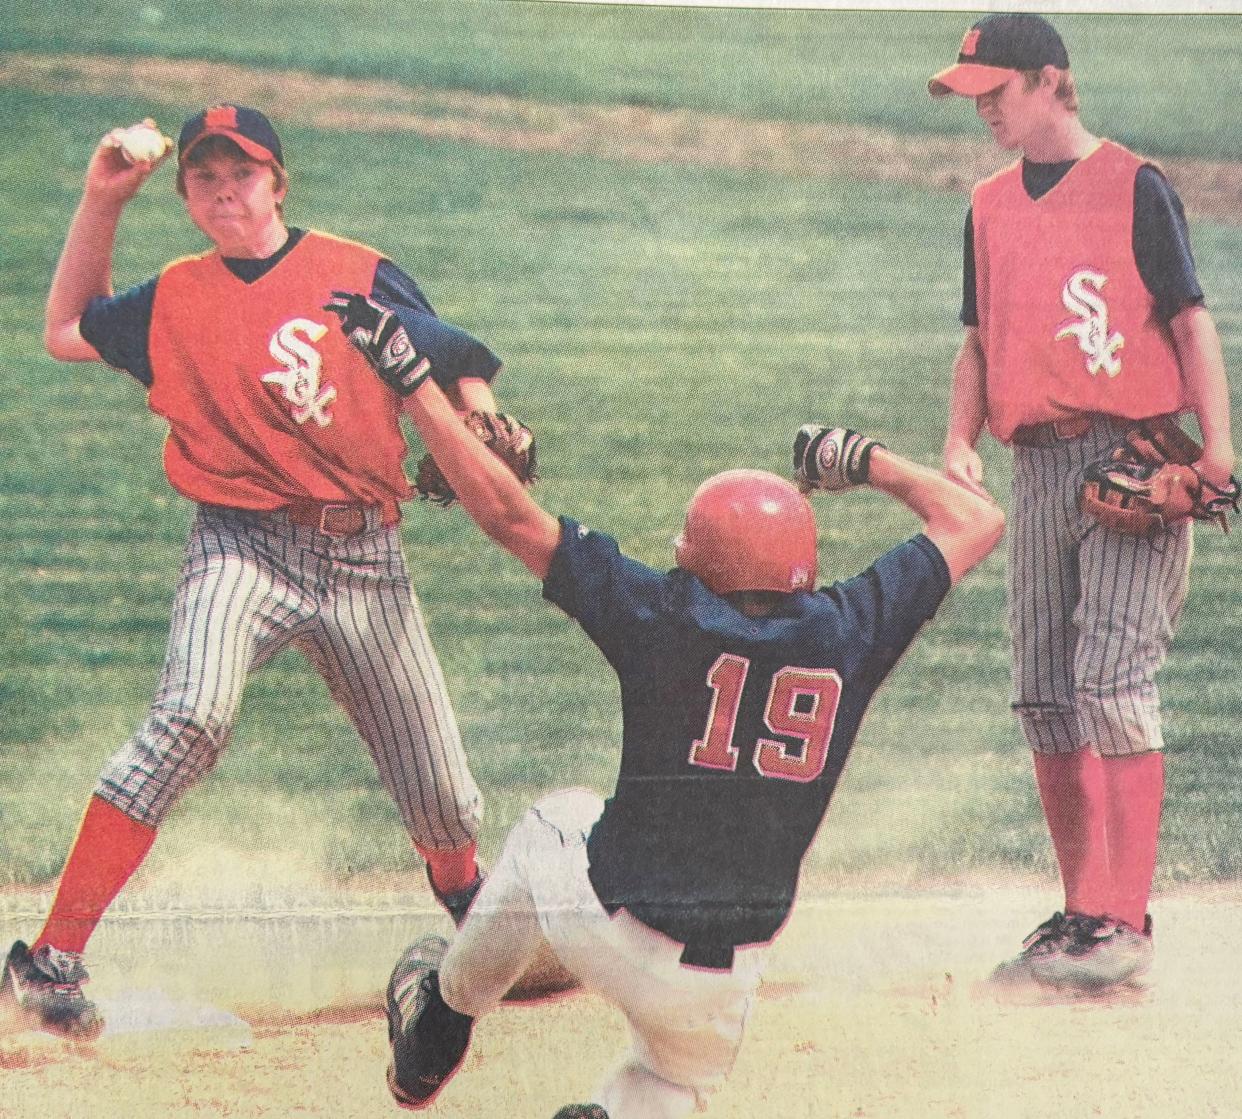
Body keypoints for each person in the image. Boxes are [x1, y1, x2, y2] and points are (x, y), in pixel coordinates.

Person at [322, 300, 1004, 1118]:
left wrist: (414, 385)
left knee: (554, 819)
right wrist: (860, 460)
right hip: (723, 981)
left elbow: (506, 513)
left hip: (605, 923)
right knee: (673, 1079)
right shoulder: (854, 627)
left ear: (699, 558)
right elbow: (978, 516)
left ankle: (440, 1017)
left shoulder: (660, 614)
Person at [0, 105, 502, 1039]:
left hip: (364, 561)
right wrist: (101, 200)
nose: (225, 190)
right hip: (239, 545)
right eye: (205, 177)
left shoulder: (354, 272)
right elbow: (66, 327)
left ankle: (479, 920)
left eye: (244, 173)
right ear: (187, 193)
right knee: (188, 717)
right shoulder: (177, 295)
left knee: (440, 797)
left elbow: (457, 355)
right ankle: (51, 960)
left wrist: (480, 415)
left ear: (279, 182)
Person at [929, 13, 1236, 992]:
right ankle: (1080, 912)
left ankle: (1125, 914)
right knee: (1045, 695)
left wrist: (1220, 451)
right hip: (1035, 467)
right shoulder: (986, 204)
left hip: (1132, 456)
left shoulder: (1135, 186)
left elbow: (1191, 323)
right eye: (973, 92)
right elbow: (977, 342)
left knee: (1111, 681)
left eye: (997, 89)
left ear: (1051, 81)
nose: (982, 106)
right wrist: (956, 444)